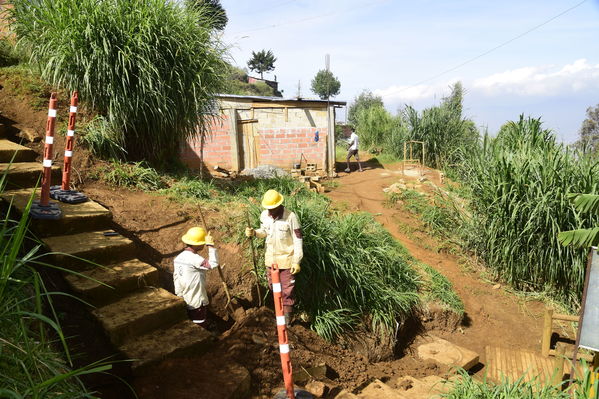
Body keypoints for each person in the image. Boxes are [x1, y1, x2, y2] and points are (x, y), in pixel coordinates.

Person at [245, 189, 303, 325]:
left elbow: (298, 239)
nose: (270, 211)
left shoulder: (291, 217)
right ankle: (277, 316)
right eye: (268, 208)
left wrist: (297, 261)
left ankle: (287, 321)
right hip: (270, 260)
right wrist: (254, 232)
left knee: (287, 290)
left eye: (272, 208)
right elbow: (264, 232)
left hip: (287, 260)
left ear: (279, 205)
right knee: (273, 288)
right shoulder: (264, 215)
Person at [173, 226, 218, 327]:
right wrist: (211, 246)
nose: (203, 244)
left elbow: (176, 277)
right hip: (196, 299)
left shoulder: (179, 258)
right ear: (197, 244)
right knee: (199, 322)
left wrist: (179, 295)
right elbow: (213, 264)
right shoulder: (194, 259)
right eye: (202, 242)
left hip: (185, 296)